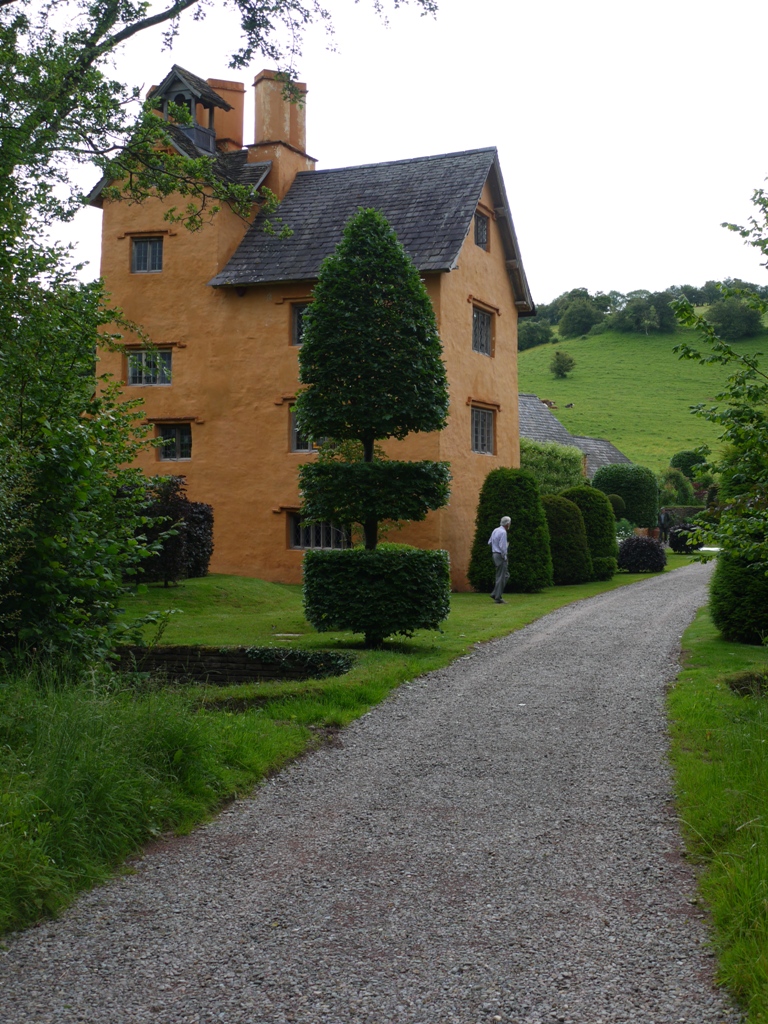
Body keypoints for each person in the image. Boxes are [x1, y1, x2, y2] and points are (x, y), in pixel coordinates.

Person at [488, 515, 511, 604]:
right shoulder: (503, 532)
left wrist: (495, 548)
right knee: (502, 576)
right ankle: (497, 597)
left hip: (495, 554)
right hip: (500, 555)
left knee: (504, 575)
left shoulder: (495, 530)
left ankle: (495, 593)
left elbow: (490, 542)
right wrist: (504, 556)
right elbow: (503, 546)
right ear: (507, 524)